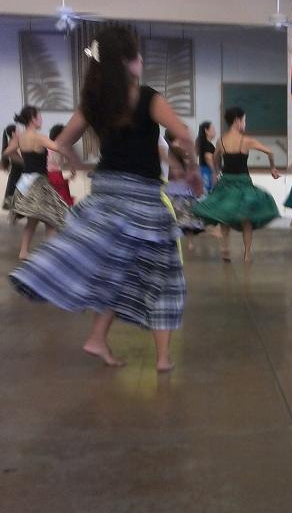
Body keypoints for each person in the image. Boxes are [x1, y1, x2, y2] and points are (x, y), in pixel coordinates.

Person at [9, 27, 200, 372]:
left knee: (117, 268)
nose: (141, 60)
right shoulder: (147, 97)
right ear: (127, 61)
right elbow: (184, 135)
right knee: (164, 275)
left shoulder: (94, 102)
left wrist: (78, 163)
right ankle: (162, 358)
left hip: (106, 194)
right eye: (136, 54)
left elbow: (61, 143)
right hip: (142, 199)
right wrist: (193, 171)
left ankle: (98, 338)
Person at [192, 106, 280, 262]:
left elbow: (216, 159)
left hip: (226, 181)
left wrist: (216, 172)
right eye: (244, 120)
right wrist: (272, 168)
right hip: (243, 182)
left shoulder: (221, 140)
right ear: (238, 121)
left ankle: (225, 248)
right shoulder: (246, 140)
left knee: (224, 215)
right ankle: (247, 254)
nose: (245, 123)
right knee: (247, 219)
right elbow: (270, 152)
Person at [5, 106, 70, 259]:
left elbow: (7, 152)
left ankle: (24, 252)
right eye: (39, 116)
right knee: (51, 220)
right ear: (33, 119)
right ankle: (50, 255)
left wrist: (22, 162)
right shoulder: (39, 137)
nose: (41, 119)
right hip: (39, 183)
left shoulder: (20, 137)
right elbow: (58, 147)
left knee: (32, 222)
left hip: (25, 183)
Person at [164, 139, 206, 248]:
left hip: (173, 191)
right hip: (184, 191)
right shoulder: (182, 161)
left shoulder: (171, 161)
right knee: (189, 219)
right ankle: (190, 242)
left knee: (176, 219)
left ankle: (180, 241)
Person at [47, 123, 75, 207]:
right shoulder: (60, 147)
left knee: (54, 201)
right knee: (63, 200)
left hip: (48, 175)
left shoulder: (48, 146)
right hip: (56, 176)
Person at [2, 122, 21, 212]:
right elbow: (20, 161)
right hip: (17, 176)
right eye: (18, 131)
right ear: (13, 133)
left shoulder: (14, 143)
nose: (20, 132)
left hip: (15, 175)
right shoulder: (13, 145)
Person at [196, 121, 217, 193]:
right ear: (206, 131)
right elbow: (208, 158)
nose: (215, 131)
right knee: (207, 193)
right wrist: (214, 172)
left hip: (202, 171)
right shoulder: (207, 145)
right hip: (207, 172)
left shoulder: (202, 143)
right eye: (213, 128)